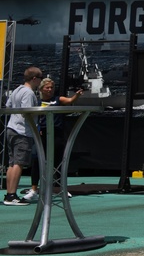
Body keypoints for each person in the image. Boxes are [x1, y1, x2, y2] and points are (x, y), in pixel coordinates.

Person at [32, 78, 85, 197]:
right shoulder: (37, 103)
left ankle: (62, 189)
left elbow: (70, 100)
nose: (50, 90)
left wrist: (77, 95)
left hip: (57, 135)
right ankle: (34, 189)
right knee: (37, 160)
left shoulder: (58, 99)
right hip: (43, 135)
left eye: (51, 87)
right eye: (47, 88)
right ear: (41, 89)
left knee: (59, 162)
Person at [3, 67, 43, 206]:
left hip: (11, 127)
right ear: (34, 79)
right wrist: (39, 114)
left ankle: (9, 193)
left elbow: (8, 106)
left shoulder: (17, 90)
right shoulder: (28, 93)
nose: (41, 81)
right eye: (40, 78)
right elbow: (28, 111)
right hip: (22, 131)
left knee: (12, 162)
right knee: (18, 163)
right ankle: (12, 195)